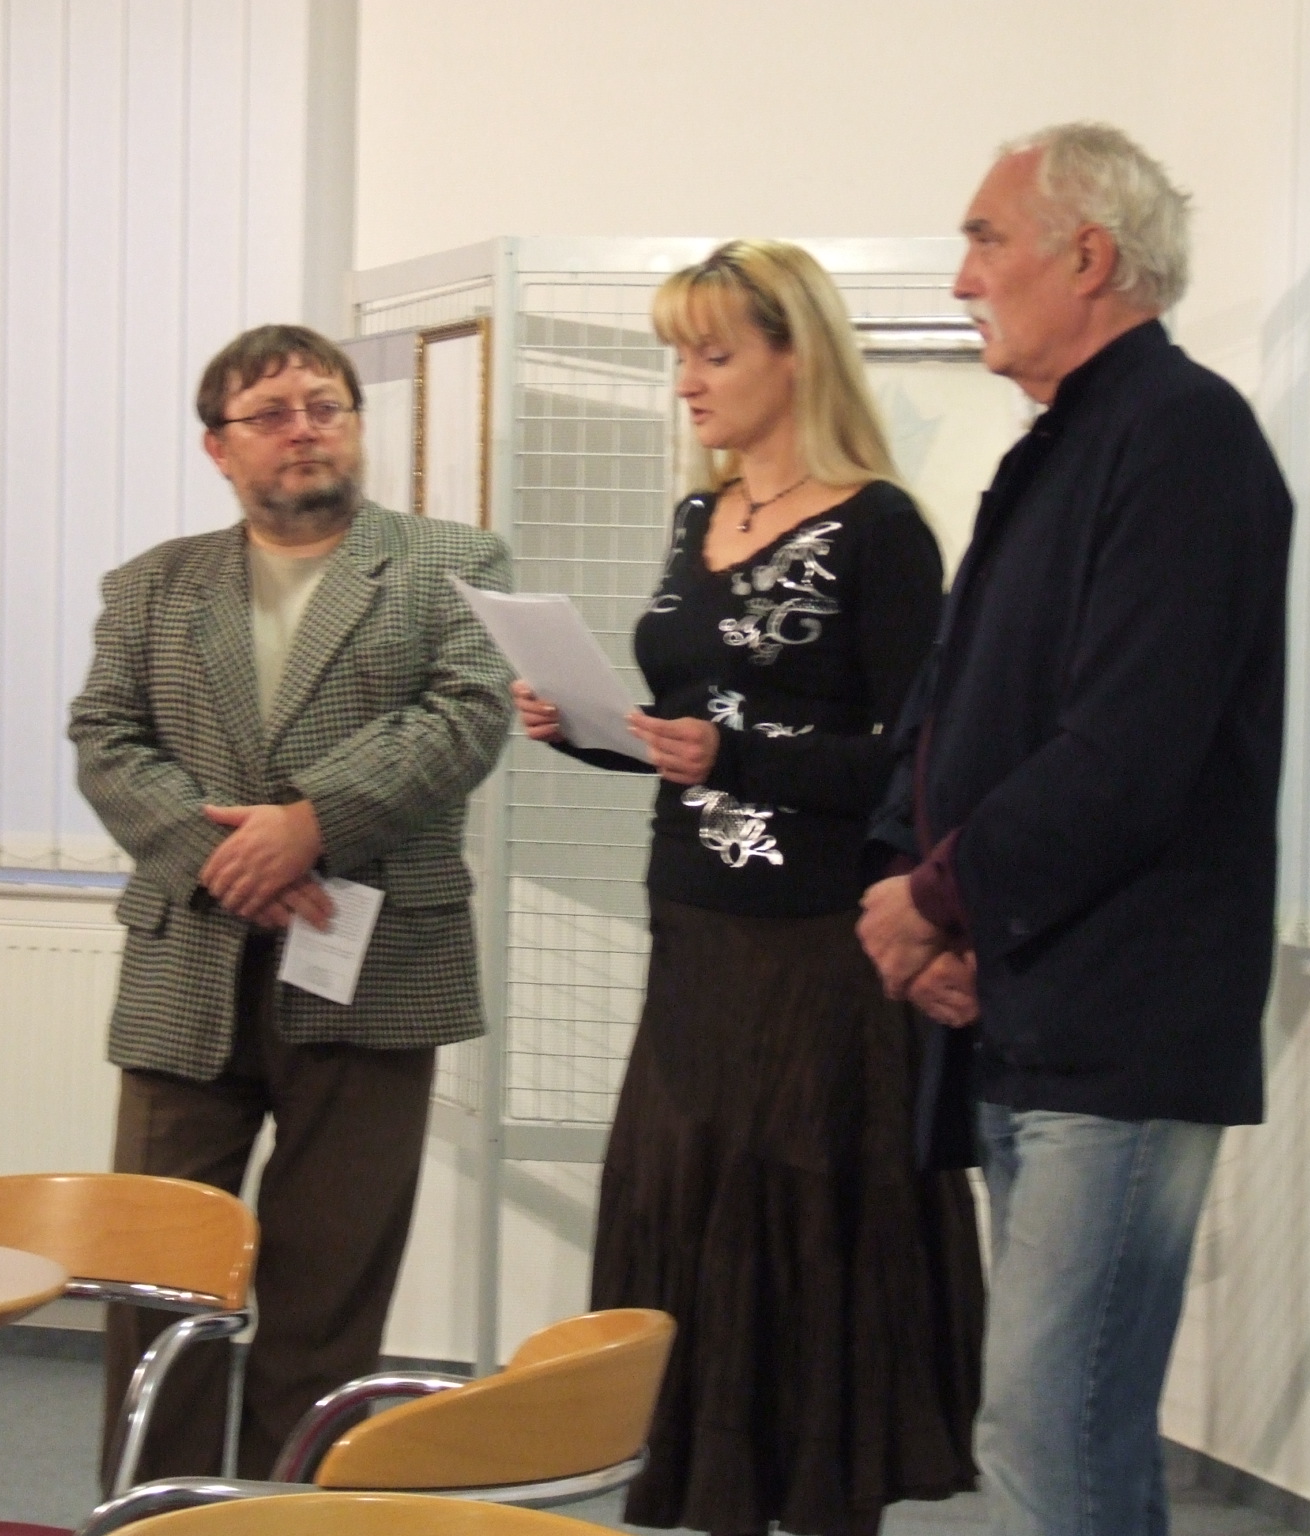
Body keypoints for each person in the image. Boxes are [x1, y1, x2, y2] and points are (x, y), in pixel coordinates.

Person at [856, 125, 1293, 1536]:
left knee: (1053, 1434)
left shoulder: (1183, 438)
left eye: (986, 240)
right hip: (1031, 1004)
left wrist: (936, 901)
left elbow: (1126, 755)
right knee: (1051, 1431)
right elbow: (952, 708)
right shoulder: (1069, 446)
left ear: (1089, 256)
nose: (963, 277)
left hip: (1119, 1021)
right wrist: (924, 903)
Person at [511, 240, 983, 1536]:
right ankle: (717, 1496)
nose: (687, 382)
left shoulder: (879, 529)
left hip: (819, 949)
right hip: (696, 932)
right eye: (680, 355)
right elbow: (691, 721)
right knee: (697, 1218)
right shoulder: (698, 516)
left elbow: (914, 758)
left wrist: (737, 756)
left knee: (812, 1228)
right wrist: (589, 730)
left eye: (713, 354)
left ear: (796, 356)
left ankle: (824, 1499)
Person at [68, 323, 512, 1484]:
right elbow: (106, 738)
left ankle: (292, 1511)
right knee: (157, 1284)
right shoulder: (152, 585)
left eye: (326, 406)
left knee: (329, 1293)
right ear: (218, 448)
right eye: (270, 414)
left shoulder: (452, 562)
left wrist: (309, 824)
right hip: (186, 971)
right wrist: (223, 856)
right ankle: (158, 1513)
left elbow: (466, 714)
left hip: (376, 973)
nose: (304, 429)